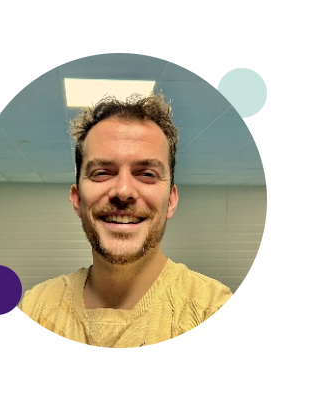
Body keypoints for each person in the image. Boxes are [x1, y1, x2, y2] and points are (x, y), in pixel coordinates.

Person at [18, 93, 233, 347]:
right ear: (77, 199)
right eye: (101, 173)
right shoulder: (34, 309)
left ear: (171, 201)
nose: (123, 191)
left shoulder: (213, 311)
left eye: (147, 174)